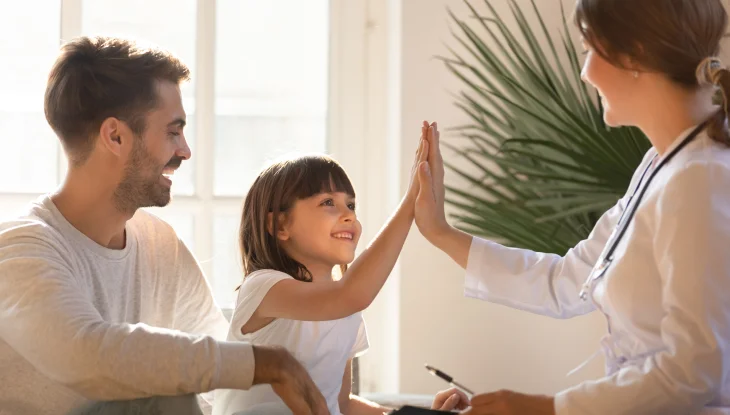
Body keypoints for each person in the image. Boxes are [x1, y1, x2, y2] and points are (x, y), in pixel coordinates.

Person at [414, 0, 730, 413]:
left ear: (632, 54)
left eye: (587, 52)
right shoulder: (661, 164)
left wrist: (546, 408)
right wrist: (439, 230)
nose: (584, 73)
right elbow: (566, 280)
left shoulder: (698, 178)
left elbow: (694, 371)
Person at [0, 36, 327, 415]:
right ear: (116, 136)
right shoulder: (22, 247)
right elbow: (84, 355)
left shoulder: (158, 244)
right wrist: (269, 363)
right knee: (166, 393)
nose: (185, 150)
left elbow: (215, 370)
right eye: (173, 131)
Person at [212, 132, 429, 415]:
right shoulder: (264, 287)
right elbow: (351, 294)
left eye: (350, 205)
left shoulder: (348, 309)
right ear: (280, 226)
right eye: (328, 202)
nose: (348, 215)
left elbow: (342, 404)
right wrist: (410, 203)